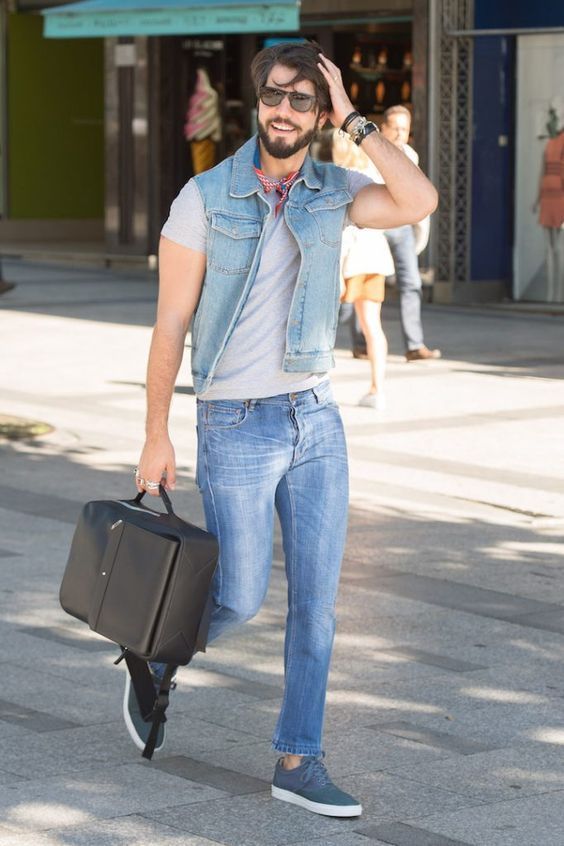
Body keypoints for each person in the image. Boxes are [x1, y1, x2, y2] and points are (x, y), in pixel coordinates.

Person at [133, 41, 437, 817]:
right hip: (233, 419)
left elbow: (418, 200)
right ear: (254, 100)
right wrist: (156, 434)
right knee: (236, 598)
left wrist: (355, 120)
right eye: (276, 95)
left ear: (320, 111)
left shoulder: (335, 189)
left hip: (315, 416)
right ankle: (155, 654)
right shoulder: (202, 197)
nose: (287, 110)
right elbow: (170, 323)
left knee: (318, 603)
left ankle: (298, 759)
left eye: (305, 100)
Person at [333, 131, 394, 410]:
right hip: (376, 258)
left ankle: (318, 385)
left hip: (351, 261)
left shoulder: (344, 178)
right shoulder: (373, 174)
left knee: (325, 326)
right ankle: (377, 388)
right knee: (373, 326)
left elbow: (345, 230)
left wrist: (338, 269)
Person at [379, 105, 441, 361]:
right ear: (383, 128)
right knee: (368, 287)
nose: (399, 134)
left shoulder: (411, 157)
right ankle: (363, 342)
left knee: (411, 284)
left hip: (402, 227)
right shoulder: (370, 152)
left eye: (404, 129)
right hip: (376, 228)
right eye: (395, 128)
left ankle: (414, 345)